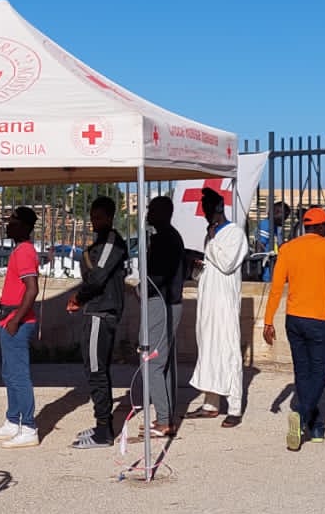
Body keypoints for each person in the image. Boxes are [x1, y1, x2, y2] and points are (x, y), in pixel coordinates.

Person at [261, 207, 325, 451]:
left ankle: (315, 424)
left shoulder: (288, 248)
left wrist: (268, 321)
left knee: (302, 371)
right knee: (319, 372)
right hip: (320, 319)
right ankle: (301, 413)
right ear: (320, 227)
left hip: (293, 319)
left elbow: (276, 287)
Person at [68, 195, 132, 449]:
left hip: (101, 314)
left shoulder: (113, 242)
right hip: (95, 312)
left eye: (99, 217)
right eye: (92, 216)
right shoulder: (99, 243)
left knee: (96, 372)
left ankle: (104, 431)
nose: (94, 221)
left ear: (110, 217)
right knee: (95, 369)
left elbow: (97, 278)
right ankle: (102, 425)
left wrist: (78, 297)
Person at [187, 187, 250, 426]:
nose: (204, 215)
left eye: (207, 210)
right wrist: (196, 266)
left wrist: (212, 241)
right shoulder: (209, 235)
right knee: (209, 351)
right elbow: (209, 268)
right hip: (207, 302)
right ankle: (210, 404)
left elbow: (226, 263)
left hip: (224, 304)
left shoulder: (234, 234)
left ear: (218, 209)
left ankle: (234, 407)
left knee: (228, 351)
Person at [0, 207, 42, 449]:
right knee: (9, 374)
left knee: (19, 376)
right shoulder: (20, 251)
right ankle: (13, 420)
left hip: (16, 322)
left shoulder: (25, 252)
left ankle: (29, 426)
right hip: (8, 319)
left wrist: (15, 319)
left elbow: (32, 289)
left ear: (24, 226)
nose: (8, 225)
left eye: (13, 221)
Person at [142, 195, 187, 437]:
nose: (147, 213)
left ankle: (163, 418)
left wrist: (142, 288)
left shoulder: (165, 239)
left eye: (151, 209)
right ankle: (165, 414)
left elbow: (158, 276)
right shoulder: (170, 236)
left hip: (162, 302)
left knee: (152, 360)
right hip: (169, 301)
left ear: (163, 213)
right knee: (162, 361)